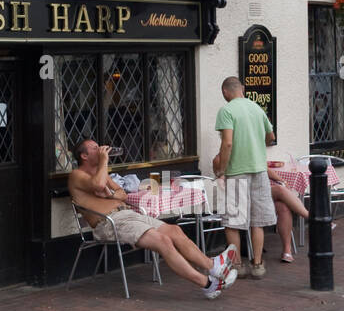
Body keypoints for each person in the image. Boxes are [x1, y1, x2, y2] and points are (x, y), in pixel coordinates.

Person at [68, 139, 237, 299]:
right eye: (95, 148)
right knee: (163, 241)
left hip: (127, 214)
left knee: (174, 230)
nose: (101, 150)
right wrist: (104, 161)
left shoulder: (101, 174)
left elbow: (122, 194)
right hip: (108, 222)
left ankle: (212, 266)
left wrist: (110, 194)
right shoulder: (77, 175)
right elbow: (97, 185)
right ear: (84, 156)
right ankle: (208, 284)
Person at [213, 77, 277, 277]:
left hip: (236, 171)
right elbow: (271, 137)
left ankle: (238, 265)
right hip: (259, 170)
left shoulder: (227, 110)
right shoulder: (257, 108)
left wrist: (221, 170)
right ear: (243, 89)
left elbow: (228, 143)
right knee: (256, 221)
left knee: (233, 221)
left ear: (225, 92)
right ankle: (257, 265)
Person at [265, 148, 313, 263]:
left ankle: (287, 250)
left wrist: (282, 180)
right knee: (280, 190)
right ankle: (312, 218)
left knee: (283, 206)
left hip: (261, 192)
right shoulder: (234, 151)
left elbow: (264, 168)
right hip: (246, 193)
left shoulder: (252, 148)